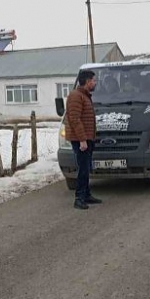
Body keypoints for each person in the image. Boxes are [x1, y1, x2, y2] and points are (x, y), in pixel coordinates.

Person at [65, 70, 102, 210]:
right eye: (94, 80)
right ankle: (79, 198)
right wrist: (82, 140)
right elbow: (74, 119)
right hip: (81, 139)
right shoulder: (76, 96)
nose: (95, 82)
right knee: (83, 169)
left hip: (87, 138)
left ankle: (86, 194)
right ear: (87, 81)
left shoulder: (84, 95)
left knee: (87, 167)